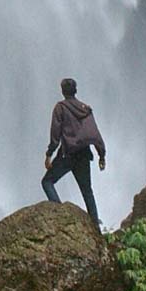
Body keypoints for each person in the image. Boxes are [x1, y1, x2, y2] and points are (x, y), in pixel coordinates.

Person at [42, 77, 106, 226]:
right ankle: (95, 225)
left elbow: (55, 135)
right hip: (84, 154)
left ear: (62, 91)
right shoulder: (86, 109)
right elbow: (94, 134)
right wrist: (101, 156)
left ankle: (59, 213)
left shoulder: (60, 108)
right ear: (75, 90)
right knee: (87, 191)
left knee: (47, 182)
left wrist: (49, 154)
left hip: (67, 155)